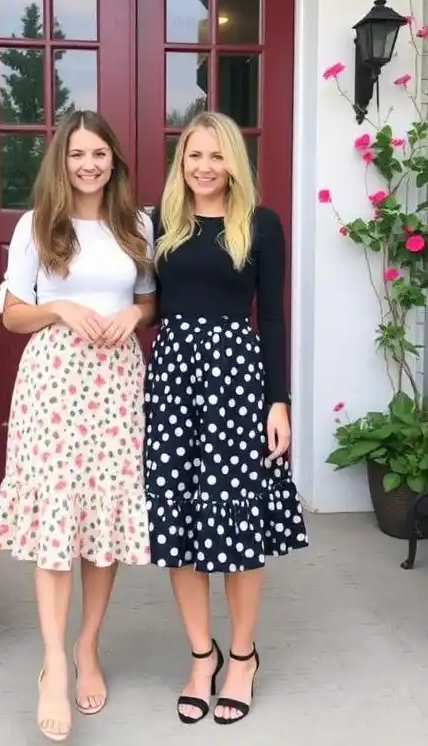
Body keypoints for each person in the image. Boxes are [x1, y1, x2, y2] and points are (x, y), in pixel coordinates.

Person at [0, 110, 156, 741]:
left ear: (115, 161)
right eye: (78, 154)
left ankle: (88, 646)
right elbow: (11, 314)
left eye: (100, 155)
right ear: (63, 160)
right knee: (58, 510)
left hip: (116, 383)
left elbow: (148, 296)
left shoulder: (136, 224)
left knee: (101, 515)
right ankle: (53, 662)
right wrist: (56, 306)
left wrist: (134, 317)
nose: (88, 164)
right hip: (54, 382)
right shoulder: (37, 225)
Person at [143, 111, 308, 726]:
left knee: (238, 524)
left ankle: (242, 656)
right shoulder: (159, 223)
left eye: (216, 156)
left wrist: (279, 399)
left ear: (233, 161)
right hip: (174, 382)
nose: (205, 167)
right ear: (180, 163)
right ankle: (200, 655)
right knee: (179, 520)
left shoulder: (261, 225)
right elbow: (139, 301)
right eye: (193, 156)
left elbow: (273, 318)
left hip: (238, 381)